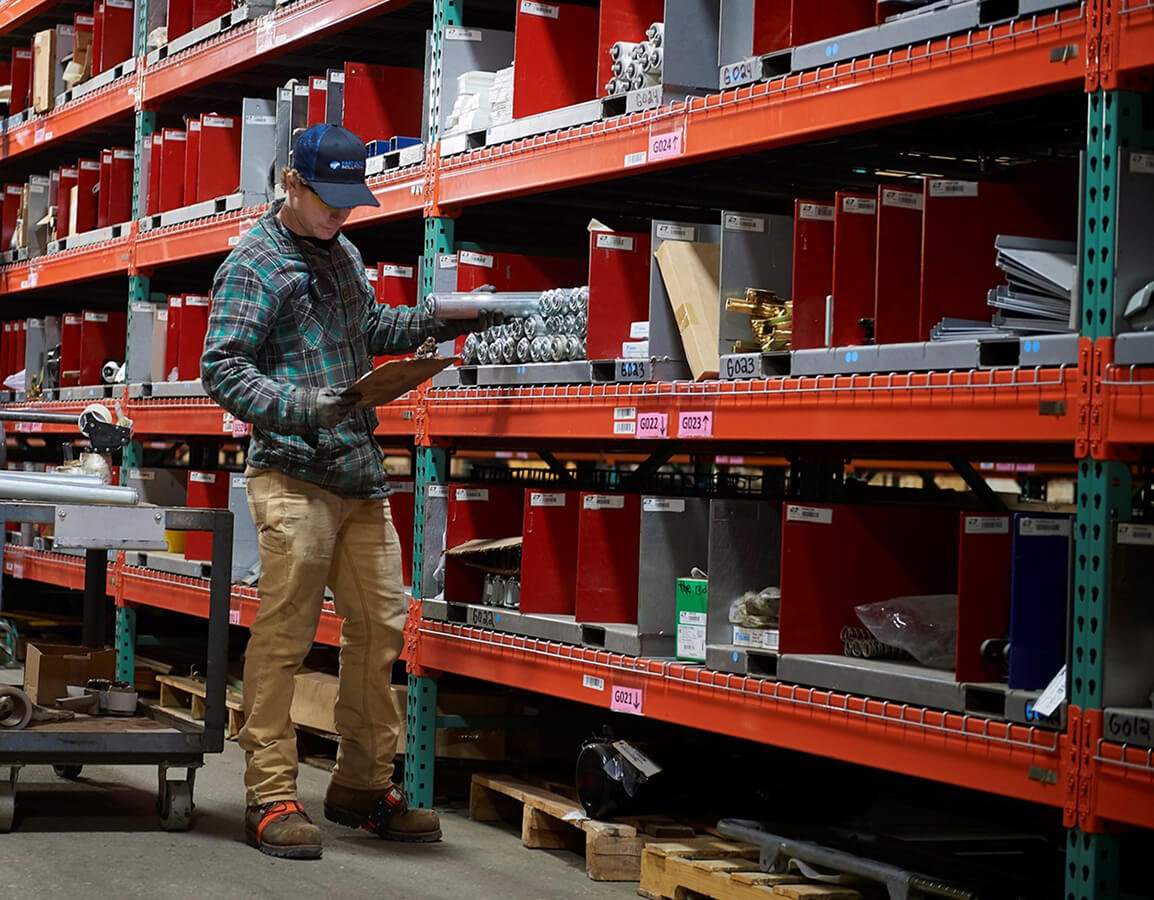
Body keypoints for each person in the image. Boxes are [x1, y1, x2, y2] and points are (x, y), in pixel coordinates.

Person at [201, 124, 470, 859]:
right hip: (291, 472)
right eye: (329, 201)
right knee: (285, 634)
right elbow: (222, 367)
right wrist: (300, 406)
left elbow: (368, 324)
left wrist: (437, 320)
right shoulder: (255, 265)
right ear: (293, 184)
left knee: (382, 627)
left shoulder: (344, 251)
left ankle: (359, 785)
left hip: (357, 471)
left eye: (350, 204)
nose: (341, 216)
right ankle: (270, 791)